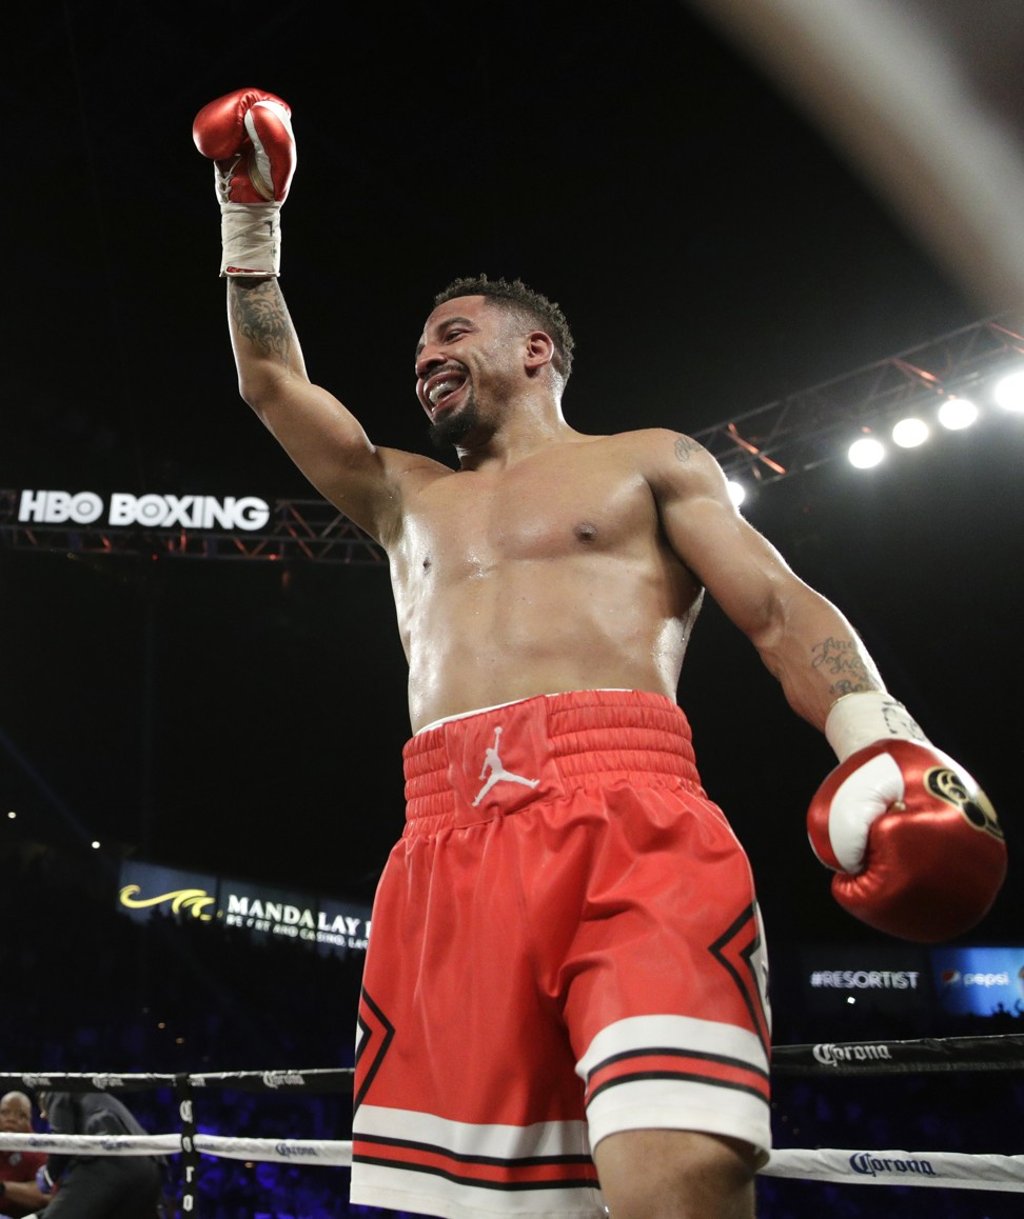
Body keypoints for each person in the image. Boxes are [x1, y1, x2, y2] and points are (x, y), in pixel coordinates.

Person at [192, 88, 1007, 1219]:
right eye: (420, 345)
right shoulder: (399, 493)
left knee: (679, 1179)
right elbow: (272, 383)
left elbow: (776, 605)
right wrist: (250, 219)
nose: (425, 357)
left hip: (626, 814)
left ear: (536, 351)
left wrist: (873, 732)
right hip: (443, 842)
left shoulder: (647, 460)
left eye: (452, 333)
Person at [29, 1092, 164, 1219]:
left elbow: (62, 1139)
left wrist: (49, 1174)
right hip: (150, 1167)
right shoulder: (95, 1100)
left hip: (109, 1158)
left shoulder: (57, 1087)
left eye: (42, 1108)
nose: (42, 1115)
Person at [0, 1093, 48, 1219]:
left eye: (21, 1115)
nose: (11, 1119)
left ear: (29, 1121)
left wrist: (3, 1188)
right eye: (5, 1113)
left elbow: (46, 1195)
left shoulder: (38, 1149)